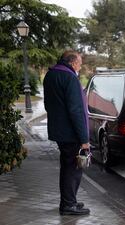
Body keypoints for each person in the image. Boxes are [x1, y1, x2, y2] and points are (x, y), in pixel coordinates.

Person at [43, 51, 90, 215]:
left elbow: (48, 104)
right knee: (73, 168)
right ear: (71, 62)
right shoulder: (70, 78)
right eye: (79, 63)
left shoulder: (51, 75)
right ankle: (68, 205)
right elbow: (76, 110)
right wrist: (84, 139)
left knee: (67, 166)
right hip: (71, 133)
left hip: (59, 130)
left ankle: (69, 201)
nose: (80, 66)